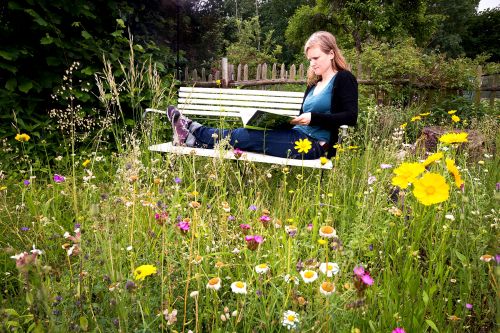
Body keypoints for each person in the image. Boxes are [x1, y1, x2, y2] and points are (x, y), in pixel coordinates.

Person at [167, 31, 358, 159]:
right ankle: (192, 137)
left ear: (331, 54)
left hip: (314, 145)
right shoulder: (314, 84)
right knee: (253, 132)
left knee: (249, 136)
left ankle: (194, 130)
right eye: (309, 60)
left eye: (316, 58)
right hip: (297, 135)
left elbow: (351, 117)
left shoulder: (343, 79)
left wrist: (313, 118)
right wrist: (287, 121)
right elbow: (303, 118)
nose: (312, 64)